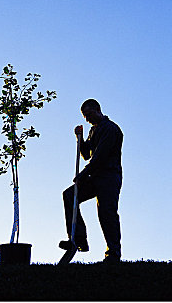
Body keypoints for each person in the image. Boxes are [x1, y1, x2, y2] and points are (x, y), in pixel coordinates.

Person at [59, 99, 123, 263]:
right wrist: (79, 138)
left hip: (109, 177)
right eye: (84, 116)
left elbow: (100, 157)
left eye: (89, 114)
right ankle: (78, 239)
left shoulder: (111, 129)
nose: (87, 119)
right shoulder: (93, 130)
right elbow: (87, 154)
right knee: (70, 195)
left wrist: (83, 174)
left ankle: (113, 253)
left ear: (97, 109)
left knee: (106, 213)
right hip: (95, 176)